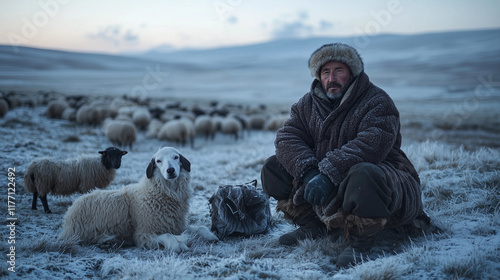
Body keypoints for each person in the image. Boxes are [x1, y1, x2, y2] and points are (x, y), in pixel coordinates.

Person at [260, 43, 429, 268]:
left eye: (339, 70)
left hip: (379, 175)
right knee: (273, 167)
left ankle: (361, 241)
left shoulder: (376, 100)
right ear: (319, 76)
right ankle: (313, 224)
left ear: (352, 73)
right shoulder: (305, 105)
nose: (332, 78)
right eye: (326, 72)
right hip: (322, 176)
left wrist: (329, 174)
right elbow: (287, 138)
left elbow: (372, 143)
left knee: (363, 173)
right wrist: (310, 173)